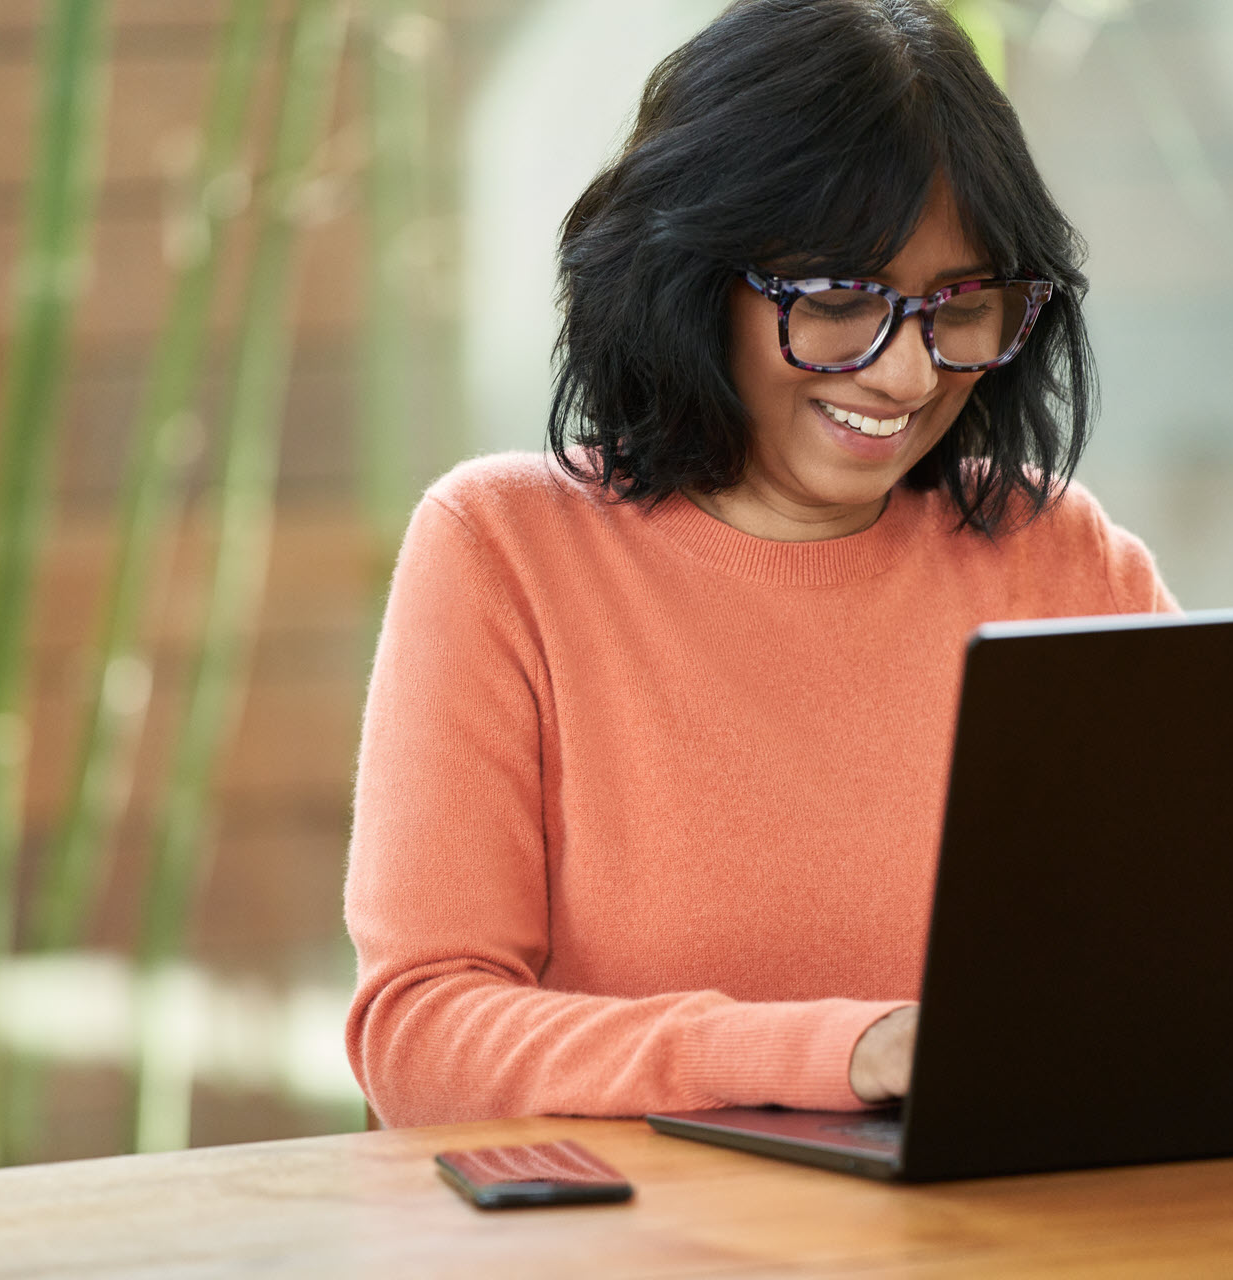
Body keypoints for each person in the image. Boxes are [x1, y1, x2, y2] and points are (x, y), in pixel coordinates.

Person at [344, 0, 1178, 1128]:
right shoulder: (503, 549)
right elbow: (423, 1031)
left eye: (962, 307)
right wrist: (839, 1049)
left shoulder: (1060, 556)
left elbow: (1203, 940)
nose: (906, 376)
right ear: (686, 279)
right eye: (839, 302)